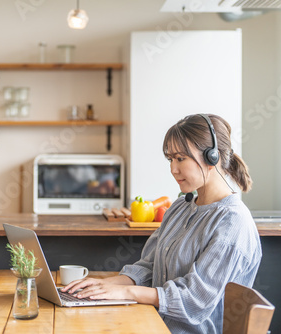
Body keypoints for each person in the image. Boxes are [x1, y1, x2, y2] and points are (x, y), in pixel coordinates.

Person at [61, 114, 262, 334]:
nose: (173, 169)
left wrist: (128, 293)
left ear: (212, 157)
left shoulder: (233, 222)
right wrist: (109, 285)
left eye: (180, 158)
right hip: (153, 324)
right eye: (170, 159)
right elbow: (149, 266)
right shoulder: (180, 207)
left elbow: (195, 300)